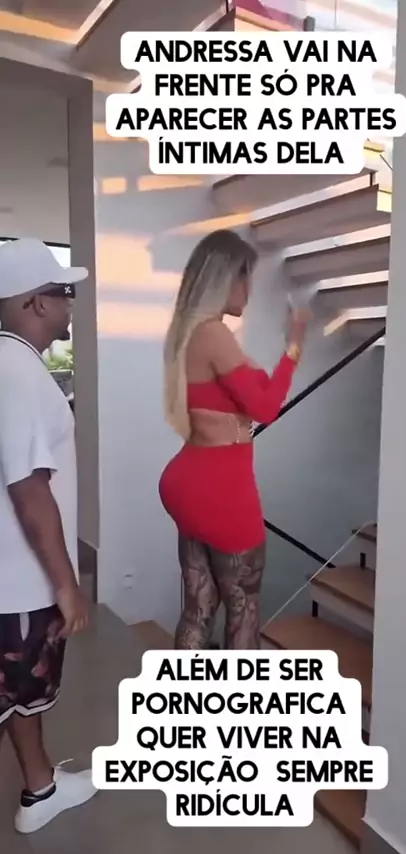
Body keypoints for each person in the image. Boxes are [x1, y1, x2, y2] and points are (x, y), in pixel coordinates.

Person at [159, 229, 311, 650]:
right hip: (221, 487)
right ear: (226, 278)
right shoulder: (214, 334)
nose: (249, 289)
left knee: (199, 607)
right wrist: (293, 349)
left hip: (188, 480)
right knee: (243, 610)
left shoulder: (189, 332)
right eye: (246, 278)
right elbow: (265, 408)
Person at [0, 238, 97, 833]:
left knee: (17, 695)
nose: (70, 305)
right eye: (64, 293)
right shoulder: (20, 375)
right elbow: (30, 490)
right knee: (16, 687)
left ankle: (40, 789)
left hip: (11, 580)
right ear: (34, 303)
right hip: (19, 586)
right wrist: (66, 585)